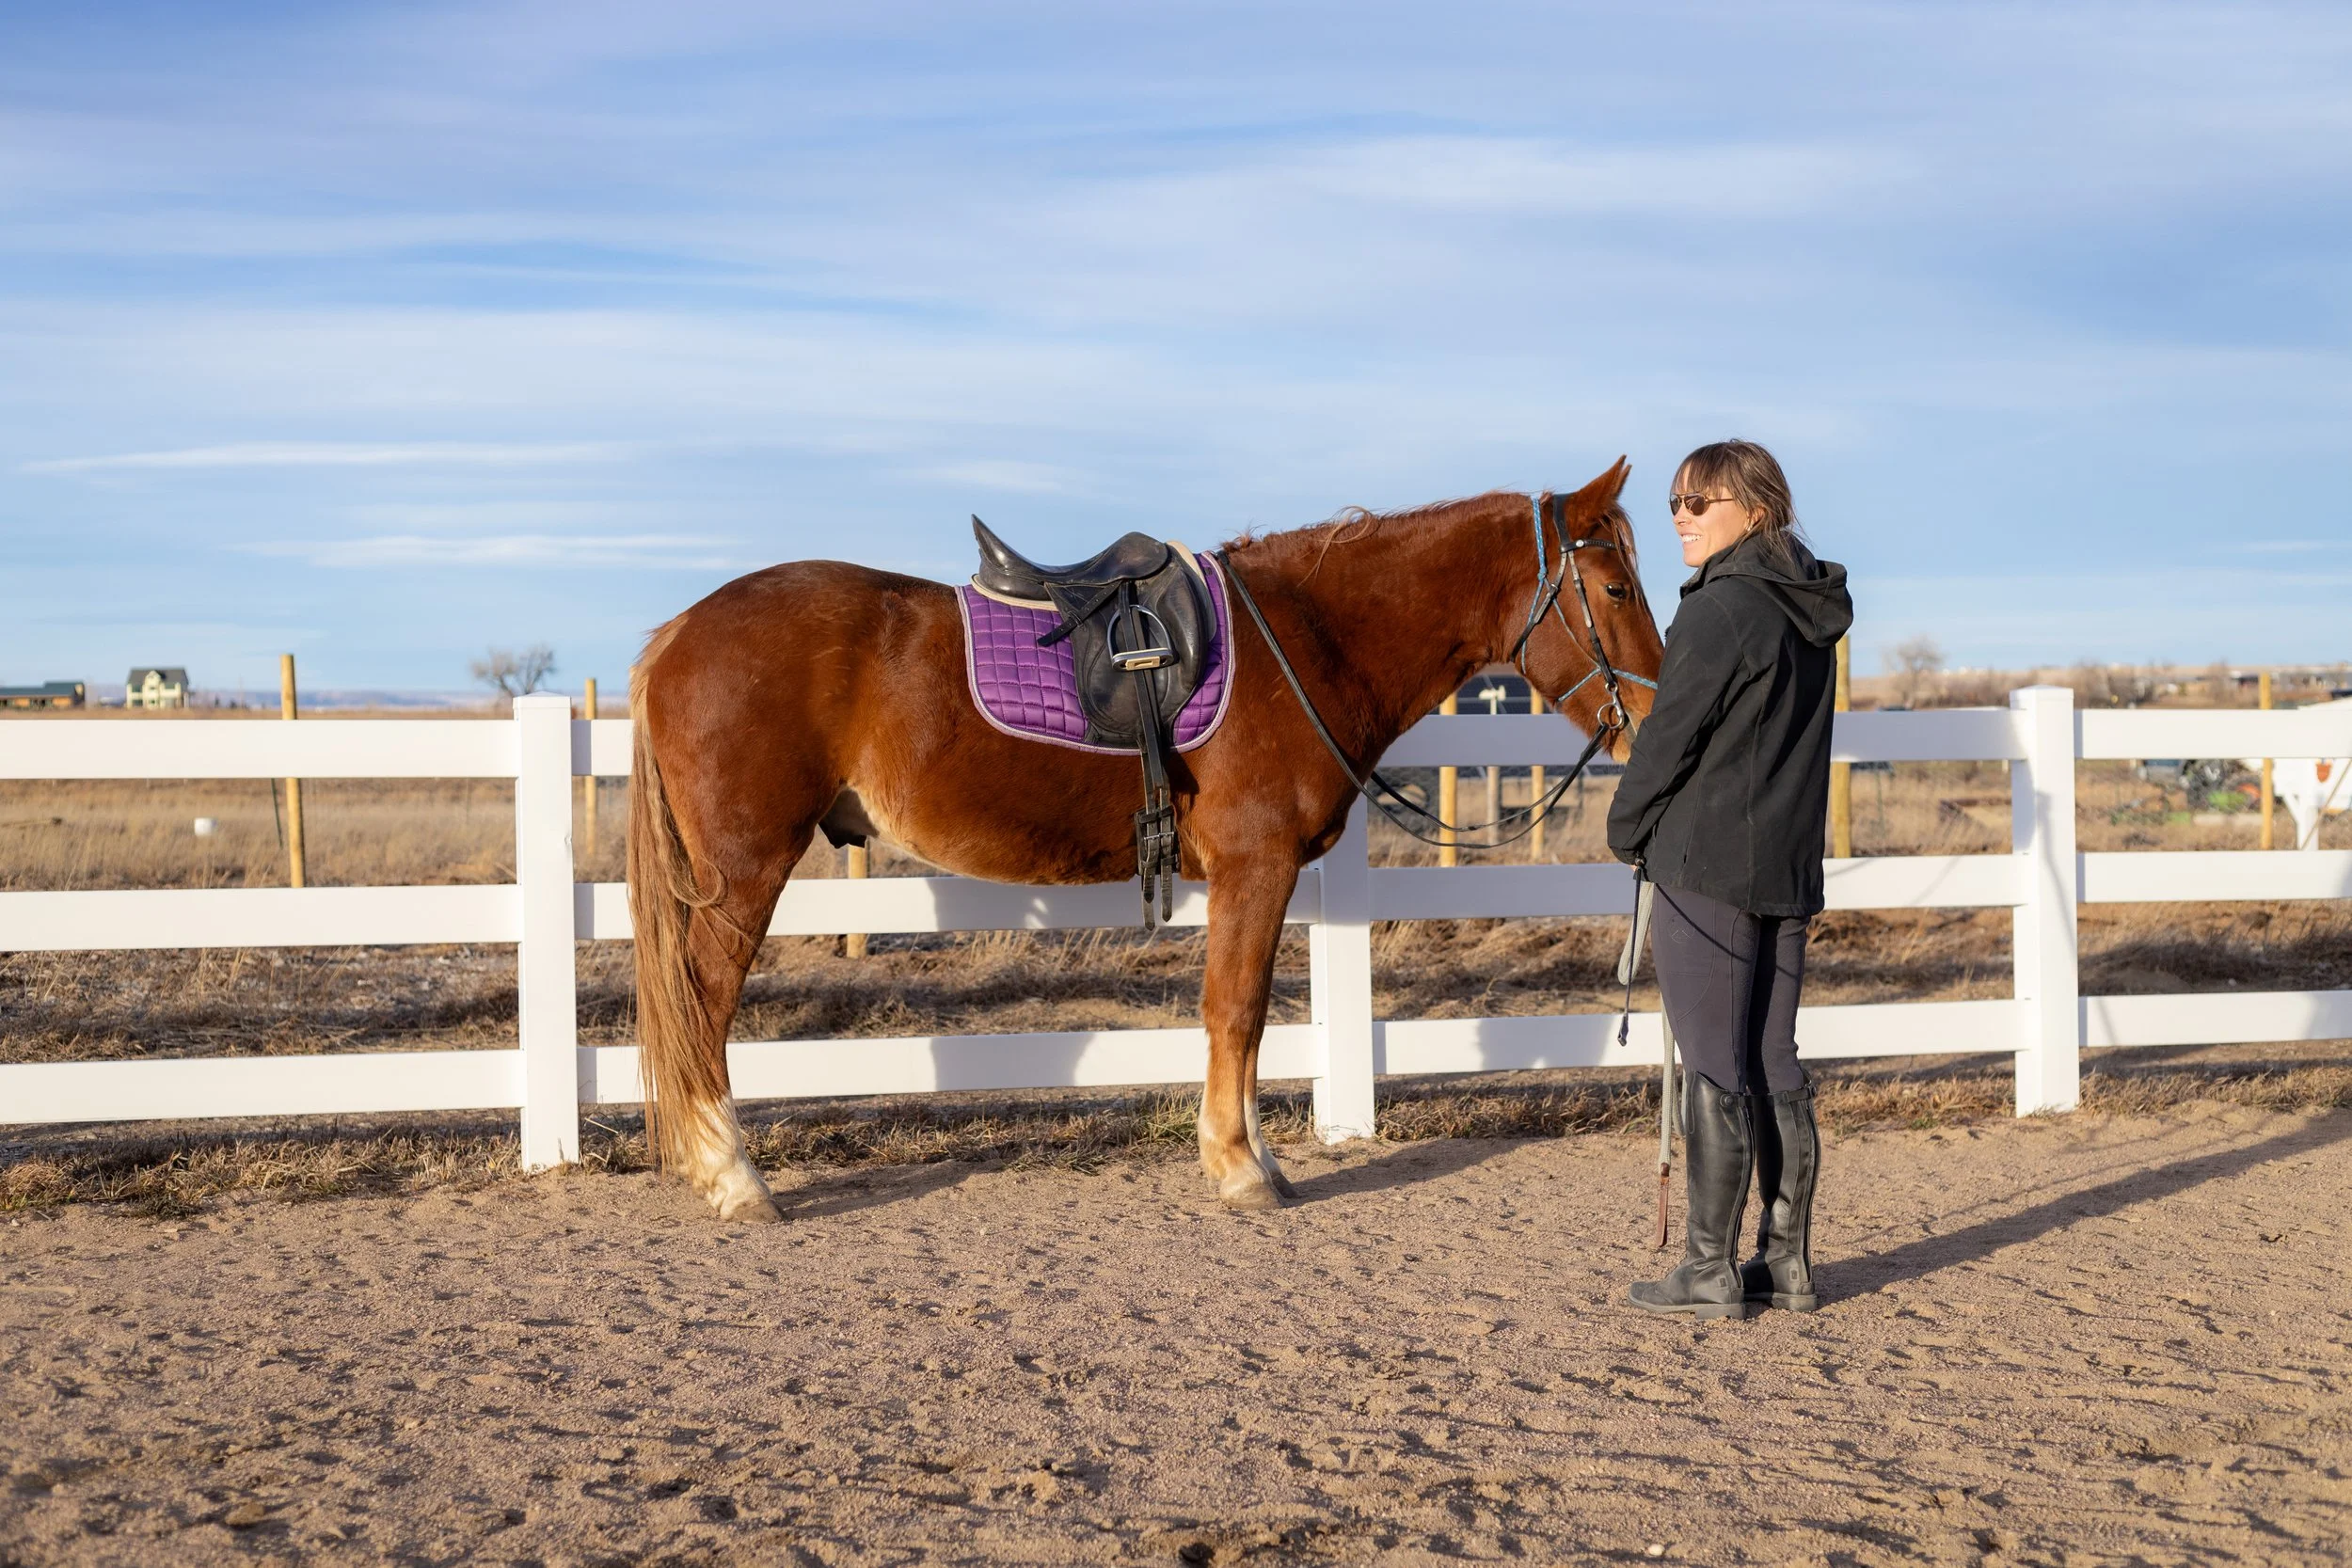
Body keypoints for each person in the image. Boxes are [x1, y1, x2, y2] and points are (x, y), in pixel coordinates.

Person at [1608, 440, 1852, 1319]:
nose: (1681, 516)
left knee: (1715, 1062)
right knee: (1772, 1058)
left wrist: (1626, 826)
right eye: (1675, 502)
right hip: (1783, 864)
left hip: (1705, 863)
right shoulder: (1809, 611)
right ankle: (1783, 1262)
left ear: (1754, 511)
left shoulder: (1718, 610)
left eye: (1699, 501)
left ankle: (1708, 1267)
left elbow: (1669, 738)